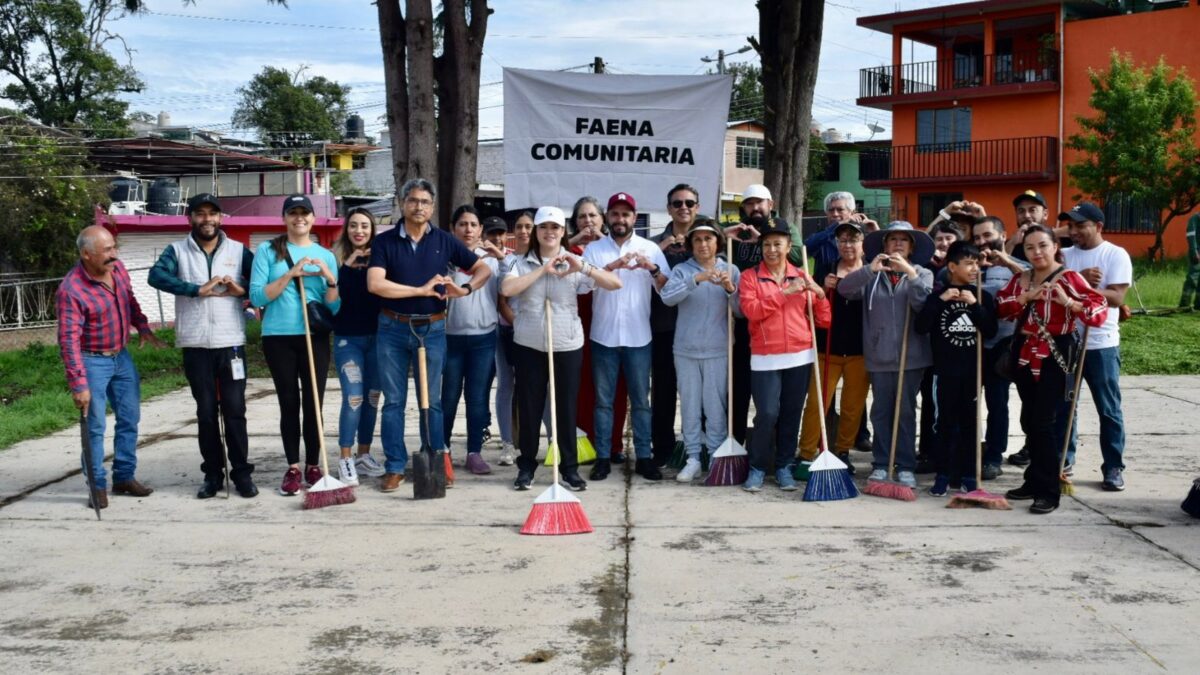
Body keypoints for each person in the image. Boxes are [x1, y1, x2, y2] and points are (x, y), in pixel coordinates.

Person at [367, 178, 491, 492]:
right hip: (392, 328)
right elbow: (376, 284)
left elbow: (483, 270)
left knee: (431, 401)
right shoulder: (384, 242)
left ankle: (434, 462)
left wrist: (463, 289)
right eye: (413, 201)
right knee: (394, 402)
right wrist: (418, 290)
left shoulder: (445, 241)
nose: (419, 206)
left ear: (432, 207)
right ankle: (394, 466)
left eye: (425, 202)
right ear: (402, 203)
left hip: (433, 328)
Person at [501, 206, 622, 491]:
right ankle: (527, 466)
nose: (549, 232)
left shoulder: (574, 262)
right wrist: (543, 269)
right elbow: (507, 290)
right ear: (536, 232)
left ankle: (569, 468)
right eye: (543, 227)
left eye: (555, 228)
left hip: (567, 343)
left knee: (566, 407)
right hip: (529, 342)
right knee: (530, 407)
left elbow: (614, 283)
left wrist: (583, 267)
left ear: (562, 232)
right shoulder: (519, 262)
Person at [147, 193, 258, 499]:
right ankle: (212, 474)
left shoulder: (238, 250)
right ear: (190, 217)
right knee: (206, 412)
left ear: (221, 218)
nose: (207, 219)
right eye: (200, 213)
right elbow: (155, 276)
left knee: (235, 410)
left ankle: (241, 474)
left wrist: (242, 289)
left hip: (231, 342)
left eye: (212, 213)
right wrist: (195, 290)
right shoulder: (177, 250)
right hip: (195, 343)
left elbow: (261, 281)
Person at [996, 225, 1107, 514]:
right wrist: (1024, 299)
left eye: (1043, 245)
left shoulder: (1069, 278)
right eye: (1030, 248)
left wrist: (1070, 303)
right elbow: (1002, 308)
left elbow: (1099, 308)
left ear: (1055, 246)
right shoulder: (1021, 279)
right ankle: (1034, 480)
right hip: (1024, 353)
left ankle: (1049, 490)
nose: (1037, 252)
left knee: (1044, 421)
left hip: (1056, 353)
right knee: (1030, 420)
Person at [57, 225, 165, 509]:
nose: (114, 254)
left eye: (114, 247)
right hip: (91, 360)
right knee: (94, 427)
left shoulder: (118, 270)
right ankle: (97, 486)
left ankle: (124, 477)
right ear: (86, 254)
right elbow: (68, 340)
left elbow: (129, 299)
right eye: (106, 250)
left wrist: (141, 326)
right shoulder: (72, 290)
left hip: (121, 356)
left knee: (129, 418)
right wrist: (78, 384)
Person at [249, 195, 341, 496]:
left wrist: (330, 281)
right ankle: (292, 467)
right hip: (278, 336)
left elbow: (335, 308)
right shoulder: (268, 250)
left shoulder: (325, 256)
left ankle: (314, 465)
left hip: (313, 337)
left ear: (313, 218)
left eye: (305, 213)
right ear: (285, 218)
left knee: (313, 403)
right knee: (289, 402)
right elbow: (258, 297)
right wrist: (292, 273)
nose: (299, 218)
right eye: (293, 213)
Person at [838, 221, 935, 490]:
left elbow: (924, 305)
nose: (898, 244)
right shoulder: (872, 274)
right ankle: (881, 463)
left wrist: (910, 276)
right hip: (879, 356)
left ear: (912, 246)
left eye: (904, 240)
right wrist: (869, 269)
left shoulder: (922, 273)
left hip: (912, 357)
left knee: (904, 411)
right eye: (893, 239)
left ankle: (905, 464)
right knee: (881, 411)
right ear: (884, 245)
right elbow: (845, 289)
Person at [582, 191, 670, 482]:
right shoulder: (595, 250)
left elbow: (666, 289)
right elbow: (582, 286)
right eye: (615, 214)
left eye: (626, 214)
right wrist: (612, 267)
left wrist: (652, 267)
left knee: (641, 401)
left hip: (638, 337)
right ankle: (604, 457)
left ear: (635, 217)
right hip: (603, 336)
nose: (620, 219)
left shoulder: (650, 248)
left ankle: (643, 458)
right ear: (607, 217)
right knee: (603, 402)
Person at [738, 219, 830, 492]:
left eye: (778, 243)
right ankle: (756, 466)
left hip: (800, 355)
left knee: (791, 414)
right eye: (766, 244)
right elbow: (751, 311)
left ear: (789, 246)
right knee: (767, 414)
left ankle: (784, 466)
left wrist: (821, 296)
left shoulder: (802, 275)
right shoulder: (750, 276)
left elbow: (823, 321)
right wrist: (783, 293)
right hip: (766, 356)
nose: (772, 249)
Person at [1058, 202, 1132, 491]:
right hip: (1068, 341)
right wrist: (1079, 281)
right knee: (1066, 406)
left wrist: (1079, 287)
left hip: (1101, 344)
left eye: (1080, 226)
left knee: (1108, 409)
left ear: (1098, 226)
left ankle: (1113, 466)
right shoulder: (1063, 254)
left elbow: (1116, 297)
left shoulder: (1115, 254)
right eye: (1070, 226)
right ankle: (1064, 460)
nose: (1074, 231)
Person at [660, 218, 740, 482]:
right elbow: (668, 298)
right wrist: (698, 278)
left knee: (715, 406)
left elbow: (740, 311)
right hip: (685, 349)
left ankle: (716, 457)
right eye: (697, 240)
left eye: (708, 239)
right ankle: (694, 457)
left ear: (717, 242)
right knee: (691, 405)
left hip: (718, 348)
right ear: (691, 245)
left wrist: (730, 289)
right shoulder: (683, 270)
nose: (703, 244)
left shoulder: (731, 270)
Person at [915, 241, 998, 496]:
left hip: (972, 372)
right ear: (952, 266)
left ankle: (969, 475)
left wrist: (975, 305)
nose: (975, 268)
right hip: (944, 372)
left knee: (970, 423)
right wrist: (940, 300)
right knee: (944, 424)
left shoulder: (983, 295)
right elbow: (921, 326)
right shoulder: (937, 294)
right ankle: (943, 474)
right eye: (969, 263)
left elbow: (991, 331)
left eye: (977, 263)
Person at [724, 184, 804, 446]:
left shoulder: (783, 226)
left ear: (771, 204)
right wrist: (725, 233)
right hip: (741, 317)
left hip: (775, 321)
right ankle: (734, 442)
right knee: (739, 385)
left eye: (760, 203)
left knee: (774, 398)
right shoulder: (737, 230)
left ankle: (775, 446)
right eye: (749, 204)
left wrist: (762, 239)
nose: (755, 208)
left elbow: (797, 258)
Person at [798, 220, 868, 473]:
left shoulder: (872, 271)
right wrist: (820, 291)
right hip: (827, 348)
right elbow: (809, 306)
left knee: (853, 407)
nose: (848, 245)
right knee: (818, 404)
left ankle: (842, 450)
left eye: (853, 240)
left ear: (863, 243)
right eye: (843, 240)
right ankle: (806, 453)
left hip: (860, 351)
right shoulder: (826, 269)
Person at [569, 196, 629, 463]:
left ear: (603, 219)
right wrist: (575, 239)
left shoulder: (613, 248)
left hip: (609, 323)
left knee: (615, 386)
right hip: (577, 323)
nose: (588, 221)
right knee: (583, 385)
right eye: (582, 217)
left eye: (593, 216)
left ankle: (613, 443)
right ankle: (586, 442)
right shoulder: (571, 252)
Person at [441, 205, 500, 476]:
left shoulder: (491, 262)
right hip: (450, 339)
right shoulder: (444, 260)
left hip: (483, 339)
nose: (468, 229)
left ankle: (474, 451)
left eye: (473, 224)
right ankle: (444, 450)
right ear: (454, 229)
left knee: (477, 398)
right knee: (449, 397)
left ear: (480, 230)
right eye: (462, 224)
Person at [329, 207, 385, 486]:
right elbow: (330, 300)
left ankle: (364, 454)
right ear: (346, 229)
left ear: (372, 230)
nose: (359, 231)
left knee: (373, 397)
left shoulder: (380, 258)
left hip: (378, 339)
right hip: (347, 339)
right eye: (354, 226)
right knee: (353, 398)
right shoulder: (335, 259)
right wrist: (347, 265)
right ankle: (345, 458)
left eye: (365, 226)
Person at [970, 216, 1028, 477]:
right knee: (967, 403)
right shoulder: (971, 267)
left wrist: (1005, 261)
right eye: (977, 237)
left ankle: (994, 456)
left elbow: (1036, 281)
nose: (982, 242)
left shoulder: (1019, 267)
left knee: (997, 403)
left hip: (1005, 346)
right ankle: (967, 451)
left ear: (1004, 236)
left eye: (987, 235)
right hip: (971, 345)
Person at [648, 184, 699, 466]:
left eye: (689, 203)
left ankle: (700, 447)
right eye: (677, 203)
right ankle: (663, 449)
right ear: (668, 208)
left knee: (700, 393)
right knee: (664, 392)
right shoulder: (655, 243)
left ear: (697, 207)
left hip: (700, 328)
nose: (684, 208)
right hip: (664, 327)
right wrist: (661, 250)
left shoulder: (707, 240)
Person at [489, 213, 525, 465]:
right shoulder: (507, 262)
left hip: (532, 334)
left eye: (529, 227)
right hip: (506, 331)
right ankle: (507, 444)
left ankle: (551, 441)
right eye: (520, 226)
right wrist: (518, 326)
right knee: (506, 386)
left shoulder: (536, 259)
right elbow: (502, 302)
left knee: (538, 388)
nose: (523, 231)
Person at [1180, 211, 1200, 309]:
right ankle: (1184, 304)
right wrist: (1194, 251)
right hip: (1196, 253)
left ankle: (1198, 305)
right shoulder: (1194, 219)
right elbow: (1191, 236)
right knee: (1192, 278)